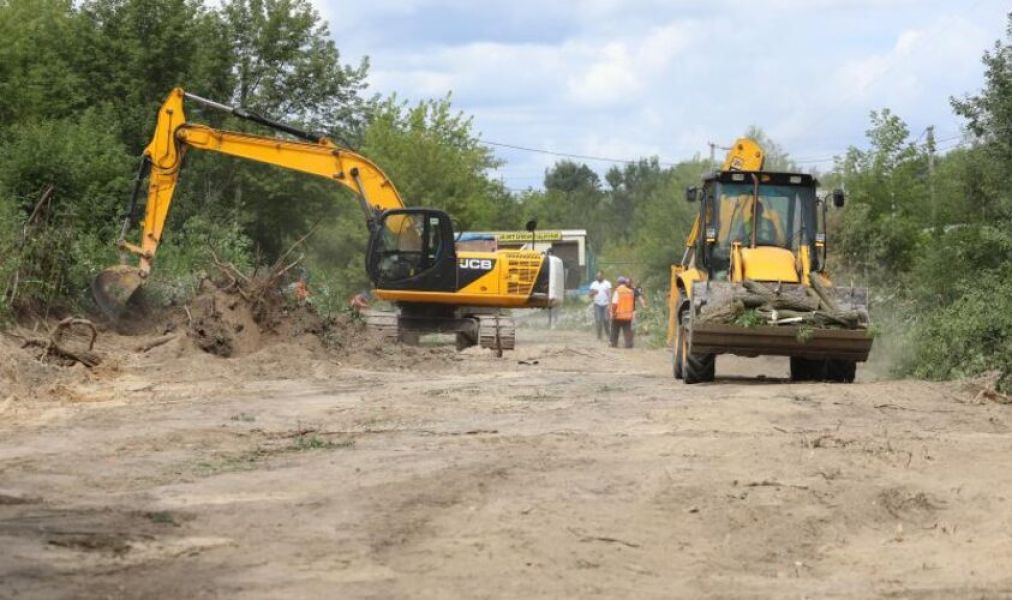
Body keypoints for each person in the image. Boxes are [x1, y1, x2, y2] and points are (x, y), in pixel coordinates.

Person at [610, 276, 636, 348]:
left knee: (615, 329)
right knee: (627, 330)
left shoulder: (617, 291)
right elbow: (632, 304)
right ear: (625, 283)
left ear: (618, 283)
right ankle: (629, 344)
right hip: (628, 315)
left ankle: (613, 343)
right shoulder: (630, 292)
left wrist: (613, 313)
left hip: (618, 315)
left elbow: (615, 304)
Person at [587, 271, 612, 341]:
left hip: (606, 304)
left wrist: (610, 304)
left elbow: (609, 294)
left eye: (599, 276)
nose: (598, 277)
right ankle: (599, 336)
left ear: (603, 276)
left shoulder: (607, 284)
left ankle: (608, 334)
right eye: (597, 276)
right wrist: (592, 293)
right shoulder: (593, 284)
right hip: (597, 304)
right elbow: (589, 295)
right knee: (598, 320)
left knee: (606, 320)